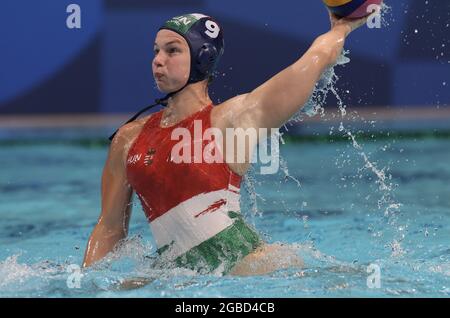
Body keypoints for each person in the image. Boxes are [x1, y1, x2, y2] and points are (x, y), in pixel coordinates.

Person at [82, 12, 368, 277]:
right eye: (156, 51)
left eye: (172, 50)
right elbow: (109, 228)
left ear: (202, 58)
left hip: (248, 269)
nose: (158, 60)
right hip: (177, 276)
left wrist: (342, 26)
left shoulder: (232, 120)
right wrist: (87, 284)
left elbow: (314, 59)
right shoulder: (128, 139)